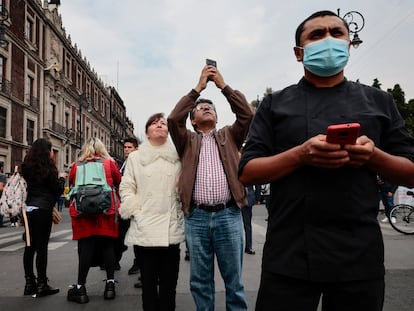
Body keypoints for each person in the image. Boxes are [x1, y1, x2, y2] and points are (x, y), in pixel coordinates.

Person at [238, 10, 414, 311]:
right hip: (289, 253)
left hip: (359, 255)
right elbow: (248, 172)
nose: (328, 39)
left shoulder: (379, 101)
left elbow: (410, 172)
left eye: (337, 32)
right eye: (317, 35)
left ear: (348, 43)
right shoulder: (274, 104)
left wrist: (374, 156)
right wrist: (301, 154)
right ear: (299, 52)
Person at [168, 64, 253, 311]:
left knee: (234, 281)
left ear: (217, 117)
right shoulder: (186, 140)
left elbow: (247, 114)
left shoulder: (230, 135)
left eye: (211, 107)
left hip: (229, 214)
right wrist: (198, 88)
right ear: (192, 120)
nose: (206, 108)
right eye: (200, 108)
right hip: (197, 217)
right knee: (200, 281)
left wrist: (223, 86)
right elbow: (174, 118)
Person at [119, 113, 184, 310]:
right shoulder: (136, 158)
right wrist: (136, 211)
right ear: (146, 132)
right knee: (148, 287)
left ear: (168, 130)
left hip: (169, 229)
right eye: (154, 123)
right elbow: (126, 187)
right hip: (145, 229)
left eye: (163, 123)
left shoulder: (178, 156)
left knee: (168, 287)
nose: (160, 125)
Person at [67, 137, 122, 304]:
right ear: (102, 149)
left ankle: (81, 288)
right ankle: (110, 286)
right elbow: (118, 180)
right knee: (108, 246)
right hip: (106, 210)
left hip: (83, 212)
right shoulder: (108, 163)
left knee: (86, 247)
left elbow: (71, 182)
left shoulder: (77, 166)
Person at [20, 138, 66, 297]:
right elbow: (57, 191)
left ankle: (29, 283)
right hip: (43, 209)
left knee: (29, 247)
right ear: (47, 151)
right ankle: (42, 284)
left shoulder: (25, 168)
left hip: (28, 210)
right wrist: (62, 178)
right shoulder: (49, 169)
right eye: (51, 149)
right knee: (41, 248)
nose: (53, 152)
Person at [114, 137, 141, 288]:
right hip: (124, 205)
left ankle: (138, 263)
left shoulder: (138, 163)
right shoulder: (125, 163)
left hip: (135, 205)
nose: (126, 149)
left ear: (136, 149)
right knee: (120, 234)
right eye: (125, 147)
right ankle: (115, 260)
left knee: (136, 236)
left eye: (129, 147)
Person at [242, 185, 255, 255]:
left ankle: (248, 246)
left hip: (248, 199)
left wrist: (257, 197)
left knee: (247, 225)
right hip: (234, 200)